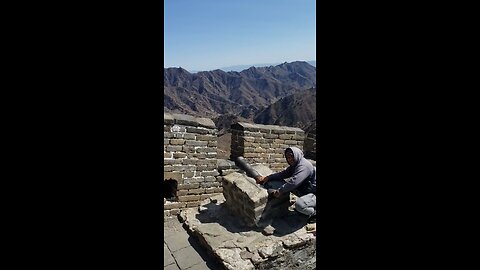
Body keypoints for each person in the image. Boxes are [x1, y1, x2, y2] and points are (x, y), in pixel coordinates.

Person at [255, 147, 316, 223]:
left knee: (299, 205)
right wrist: (267, 178)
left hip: (314, 193)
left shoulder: (304, 166)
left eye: (291, 156)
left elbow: (294, 182)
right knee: (286, 185)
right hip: (306, 189)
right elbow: (283, 174)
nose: (290, 159)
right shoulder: (295, 165)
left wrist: (279, 191)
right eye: (288, 157)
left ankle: (313, 213)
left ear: (297, 155)